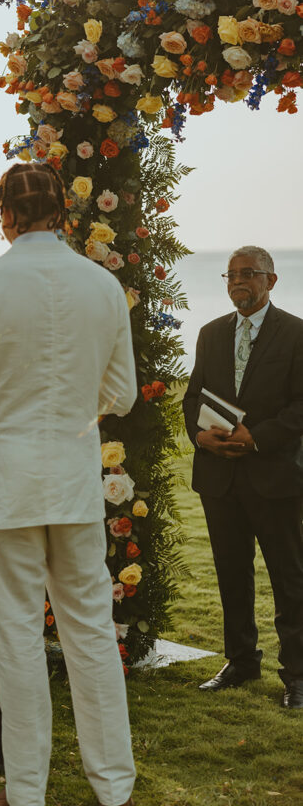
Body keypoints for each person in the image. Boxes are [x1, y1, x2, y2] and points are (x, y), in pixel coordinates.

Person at [0, 163, 137, 806]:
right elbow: (123, 395)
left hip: (5, 487)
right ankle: (114, 788)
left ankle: (26, 793)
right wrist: (72, 412)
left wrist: (8, 398)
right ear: (61, 212)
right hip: (75, 480)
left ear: (6, 214)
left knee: (17, 641)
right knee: (91, 636)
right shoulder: (102, 286)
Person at [183, 246, 303, 709]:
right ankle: (240, 660)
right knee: (232, 574)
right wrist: (200, 435)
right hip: (220, 478)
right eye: (231, 274)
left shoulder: (295, 334)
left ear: (271, 281)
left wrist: (258, 437)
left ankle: (297, 674)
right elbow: (193, 397)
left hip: (274, 477)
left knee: (289, 578)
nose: (239, 281)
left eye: (249, 273)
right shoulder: (211, 334)